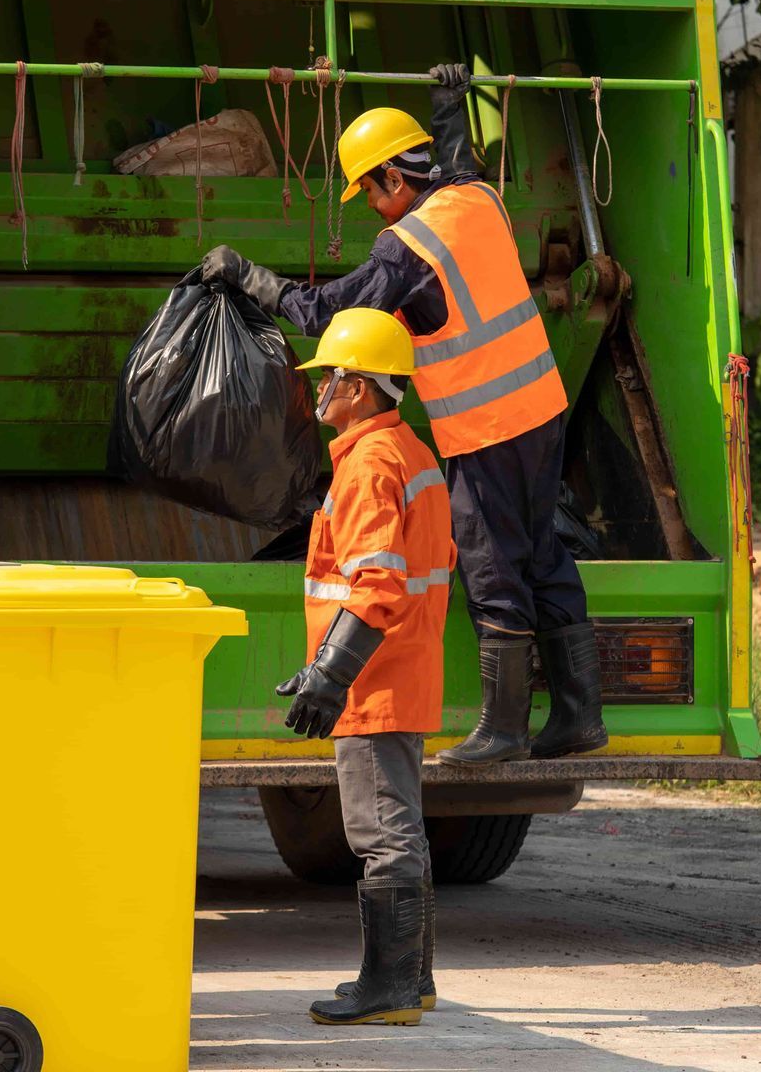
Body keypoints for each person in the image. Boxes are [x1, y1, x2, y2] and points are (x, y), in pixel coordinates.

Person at [202, 65, 606, 767]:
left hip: (485, 429)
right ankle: (578, 714)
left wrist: (248, 276)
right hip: (542, 411)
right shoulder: (479, 199)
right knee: (543, 553)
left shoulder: (406, 245)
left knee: (491, 565)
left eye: (369, 193)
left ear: (393, 177)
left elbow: (332, 315)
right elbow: (457, 162)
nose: (373, 210)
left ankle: (505, 729)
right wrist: (449, 104)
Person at [276, 307, 451, 1026]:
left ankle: (390, 990)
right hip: (398, 671)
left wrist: (329, 675)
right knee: (401, 828)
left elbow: (376, 584)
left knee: (382, 835)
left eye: (329, 379)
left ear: (359, 387)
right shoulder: (408, 455)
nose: (319, 392)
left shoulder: (369, 466)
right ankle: (413, 980)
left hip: (375, 681)